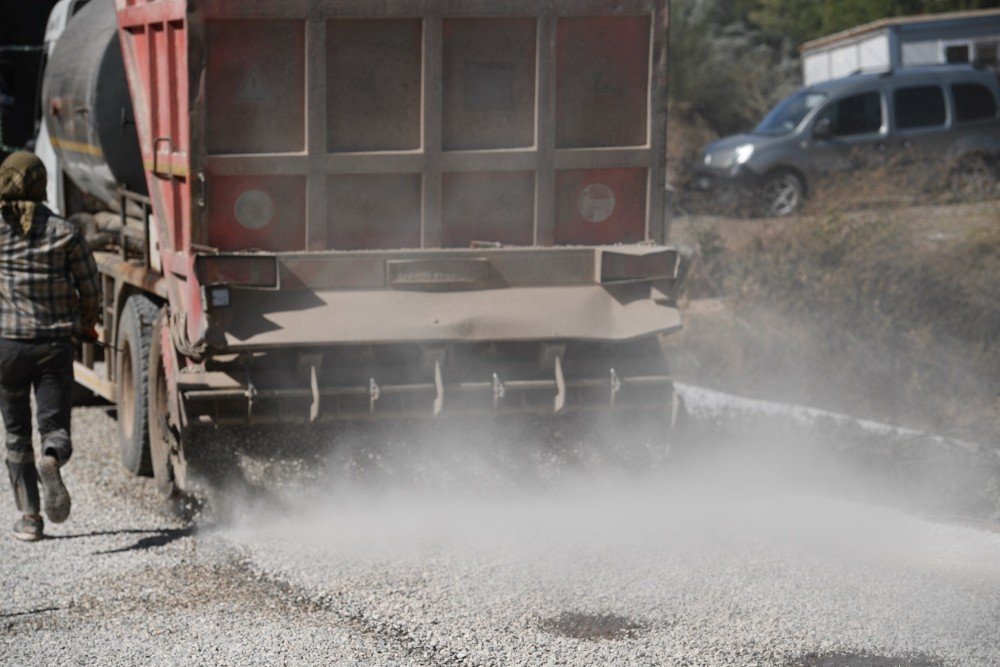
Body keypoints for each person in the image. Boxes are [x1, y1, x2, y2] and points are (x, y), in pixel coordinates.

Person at [0, 151, 101, 541]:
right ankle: (51, 458)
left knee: (15, 433)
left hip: (8, 347)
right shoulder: (65, 231)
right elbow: (90, 287)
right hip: (53, 346)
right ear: (41, 183)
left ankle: (29, 518)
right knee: (54, 425)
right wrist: (87, 324)